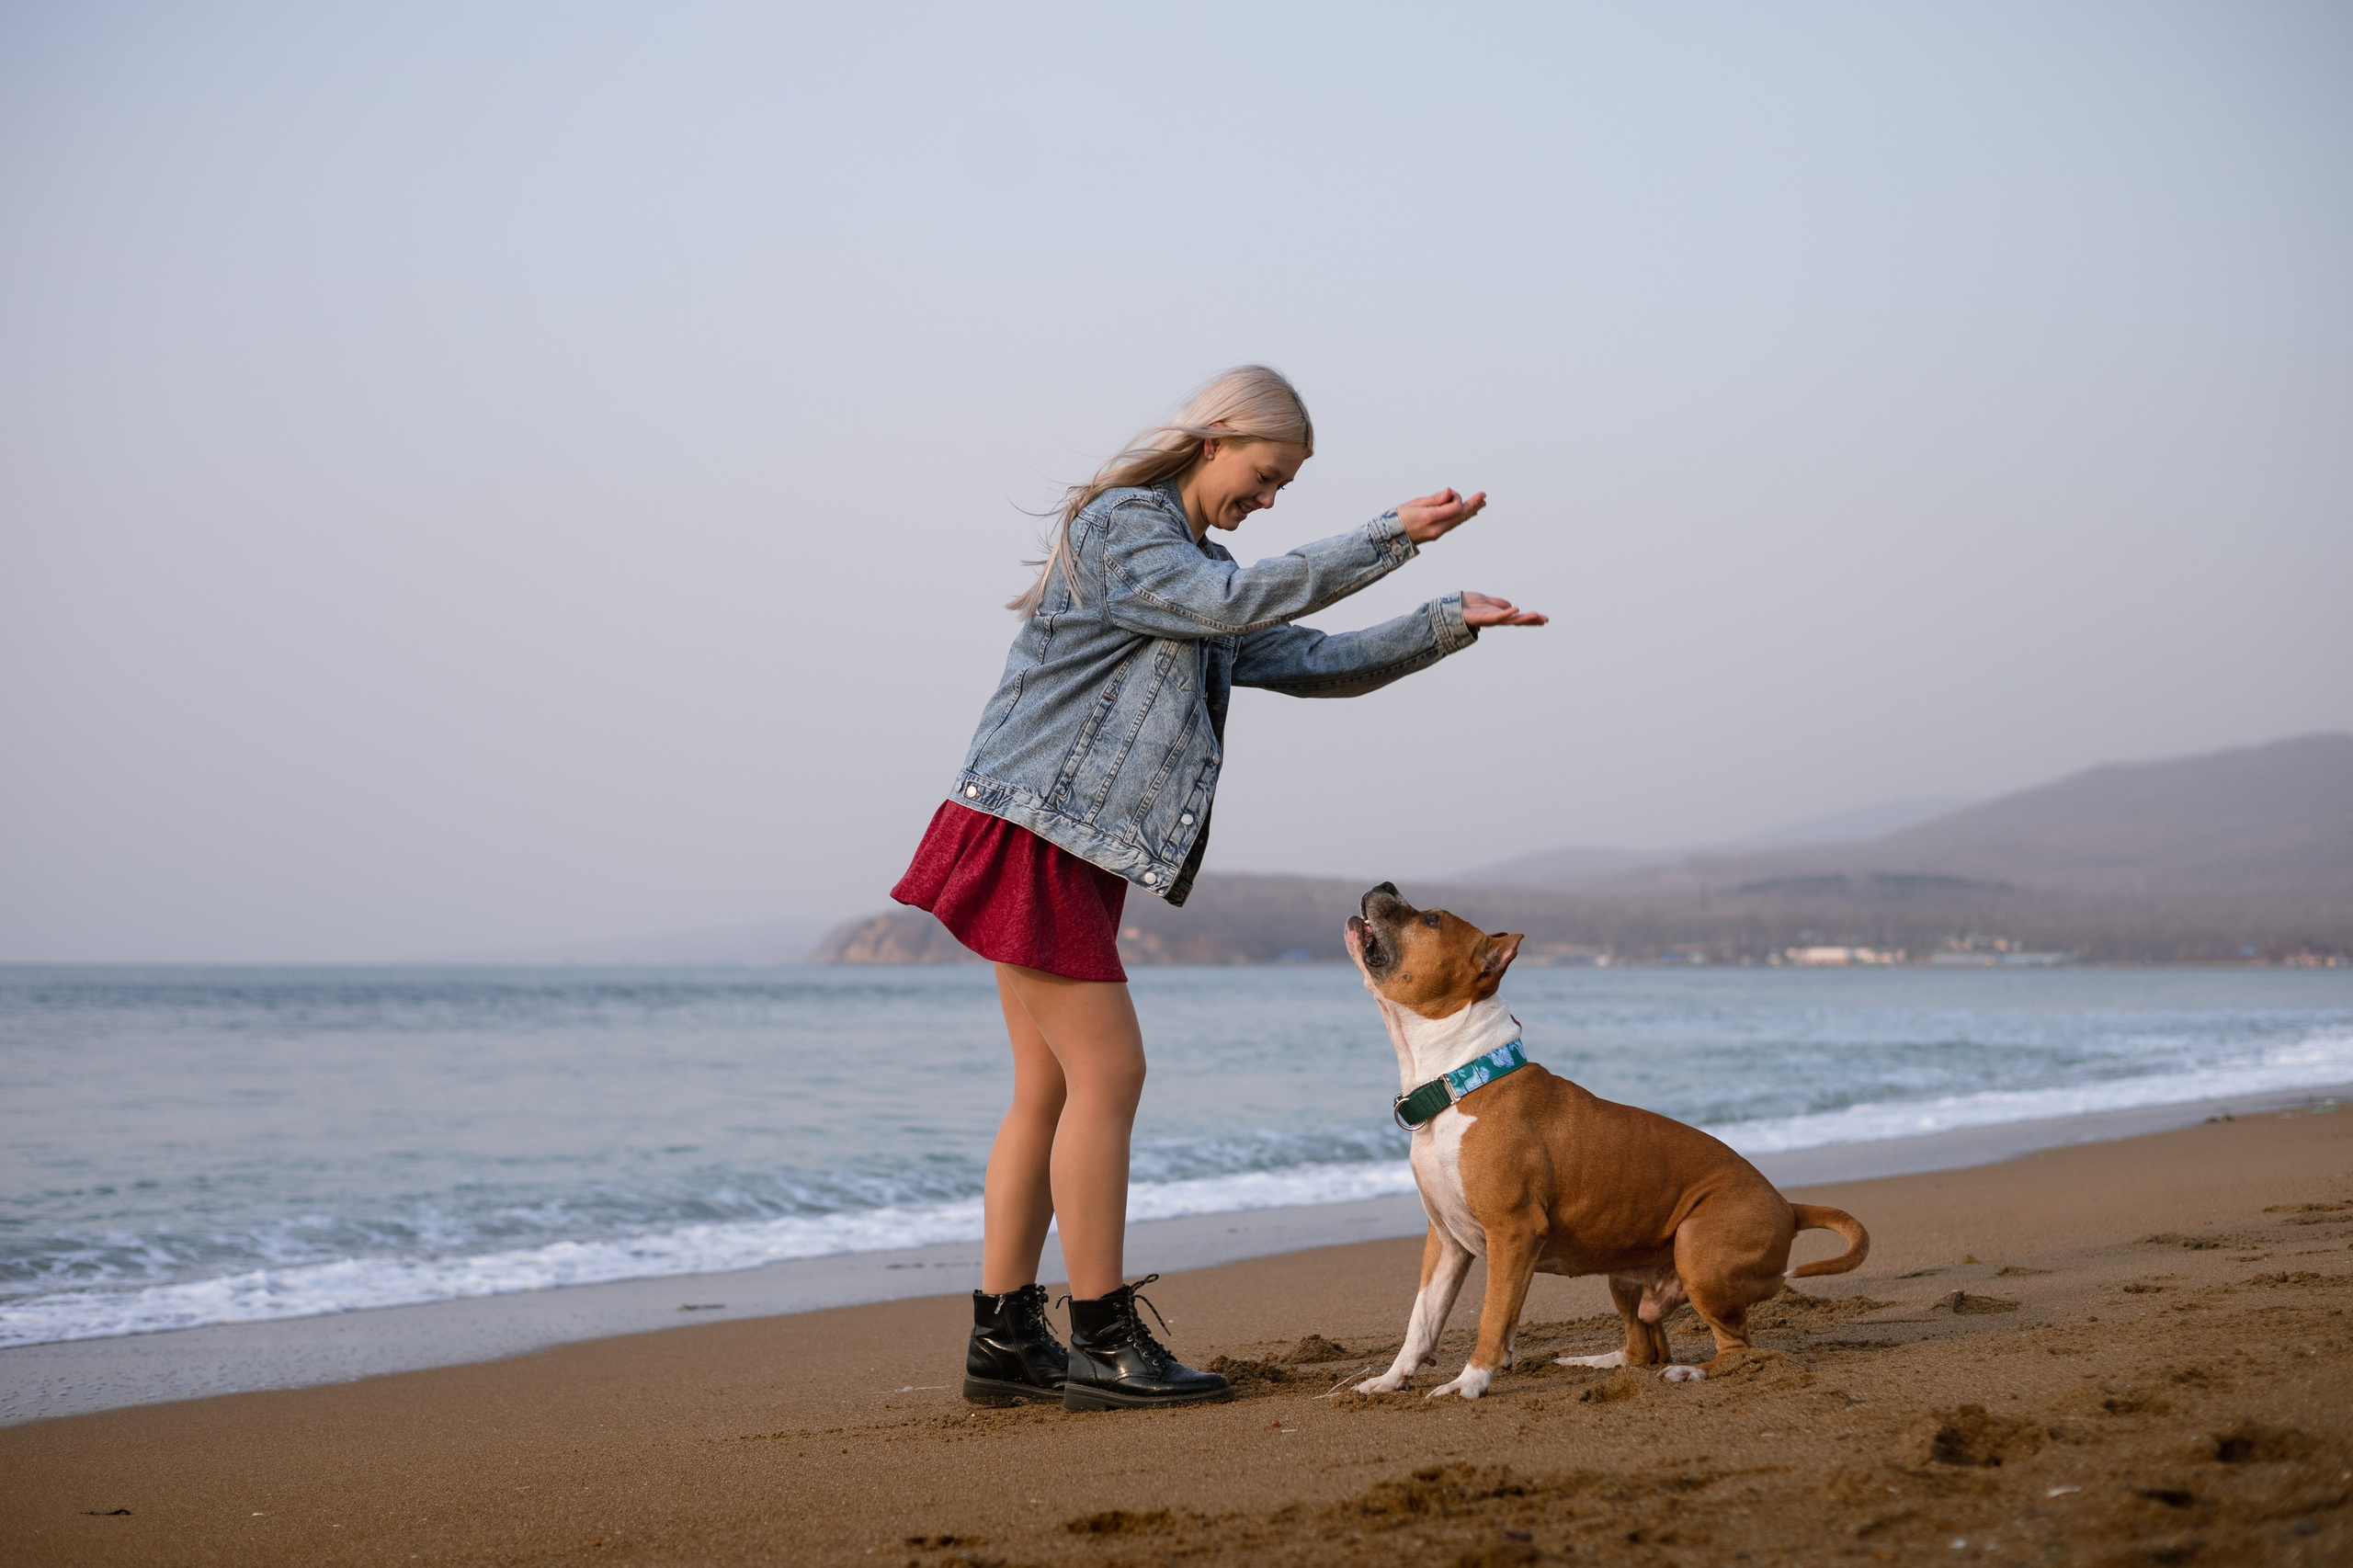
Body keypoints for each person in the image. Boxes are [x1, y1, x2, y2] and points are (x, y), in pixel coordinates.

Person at [891, 366, 1546, 1411]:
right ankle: (1102, 1337)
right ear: (1217, 435)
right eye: (1267, 472)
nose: (1270, 496)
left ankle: (1005, 1337)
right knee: (1108, 1077)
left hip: (1052, 835)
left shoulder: (1195, 559)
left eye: (1283, 485)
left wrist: (1441, 621)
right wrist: (1390, 535)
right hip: (1034, 830)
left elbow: (1303, 657)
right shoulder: (1125, 527)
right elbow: (1227, 603)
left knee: (1048, 1090)